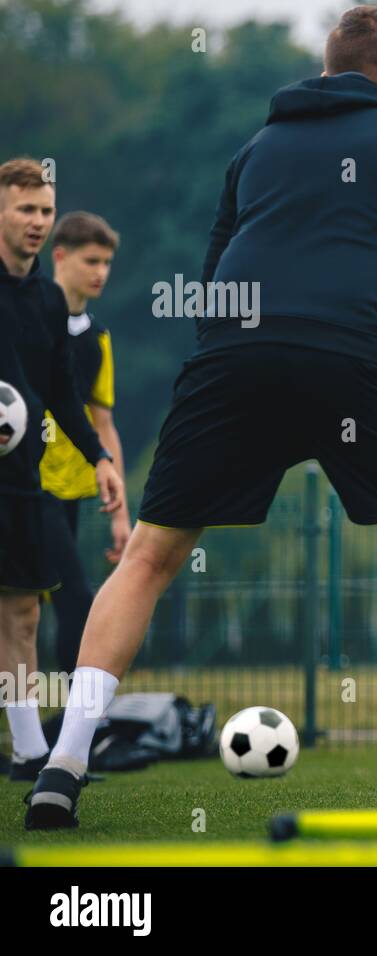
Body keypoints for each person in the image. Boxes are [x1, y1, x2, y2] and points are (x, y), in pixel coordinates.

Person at [25, 5, 377, 829]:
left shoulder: (257, 147)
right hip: (350, 357)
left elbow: (217, 270)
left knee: (148, 554)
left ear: (326, 73)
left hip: (233, 361)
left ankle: (61, 767)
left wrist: (226, 364)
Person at [0, 158, 125, 784]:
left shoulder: (47, 301)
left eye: (45, 211)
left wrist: (99, 458)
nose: (38, 222)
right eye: (25, 209)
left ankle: (28, 753)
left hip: (22, 476)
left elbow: (63, 392)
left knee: (22, 613)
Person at [40, 212, 131, 675]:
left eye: (107, 262)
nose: (101, 272)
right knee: (72, 597)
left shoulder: (98, 338)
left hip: (74, 489)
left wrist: (120, 512)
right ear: (60, 257)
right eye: (91, 260)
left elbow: (104, 421)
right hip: (28, 485)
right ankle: (67, 722)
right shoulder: (28, 318)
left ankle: (50, 729)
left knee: (44, 603)